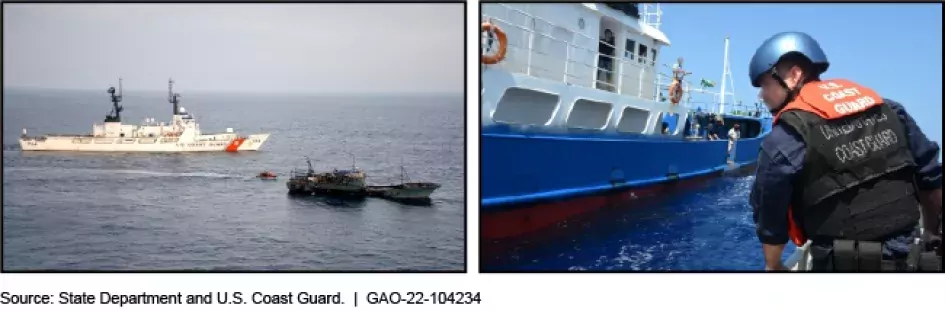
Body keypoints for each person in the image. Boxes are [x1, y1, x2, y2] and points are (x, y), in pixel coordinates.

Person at [747, 32, 942, 271]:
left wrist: (774, 264)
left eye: (766, 84)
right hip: (910, 261)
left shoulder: (785, 137)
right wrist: (931, 234)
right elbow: (931, 177)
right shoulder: (890, 109)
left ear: (794, 76)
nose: (761, 94)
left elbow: (769, 207)